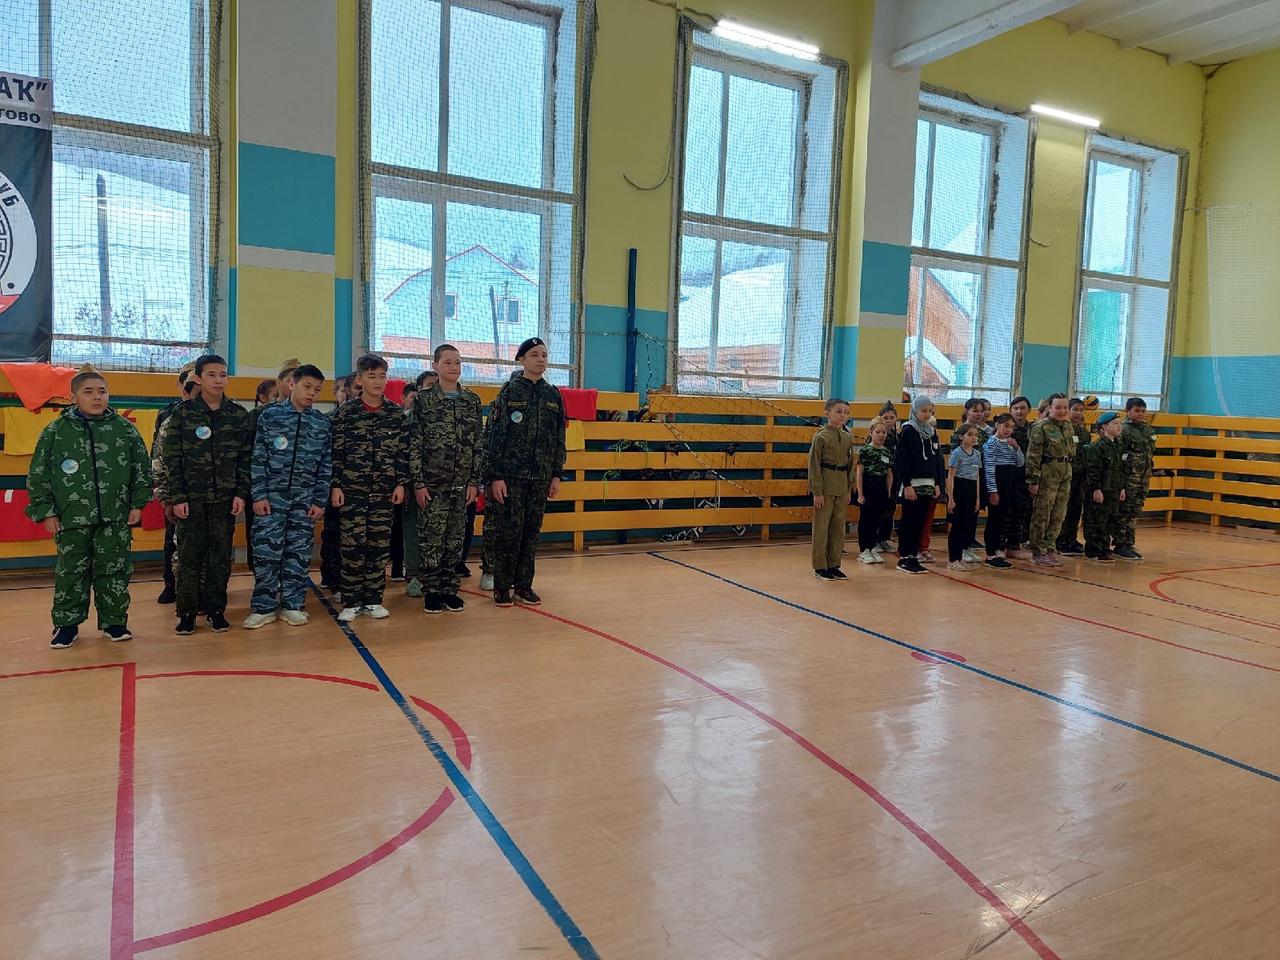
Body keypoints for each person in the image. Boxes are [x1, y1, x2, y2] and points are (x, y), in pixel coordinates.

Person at [26, 370, 152, 648]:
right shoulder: (56, 431)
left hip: (115, 516)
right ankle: (67, 625)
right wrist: (46, 511)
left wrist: (137, 503)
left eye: (102, 391)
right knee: (71, 572)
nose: (97, 397)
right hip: (71, 517)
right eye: (88, 392)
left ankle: (114, 622)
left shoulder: (124, 429)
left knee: (115, 570)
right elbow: (38, 473)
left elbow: (141, 468)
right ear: (73, 397)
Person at [161, 354, 252, 635]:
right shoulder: (183, 414)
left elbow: (245, 459)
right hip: (191, 500)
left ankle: (215, 611)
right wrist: (178, 497)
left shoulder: (238, 415)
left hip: (225, 500)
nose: (218, 380)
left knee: (220, 558)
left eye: (223, 375)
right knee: (189, 557)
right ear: (199, 379)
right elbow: (172, 458)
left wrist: (241, 493)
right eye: (212, 375)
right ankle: (187, 613)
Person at [245, 364, 332, 628]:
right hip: (272, 498)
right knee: (266, 553)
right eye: (307, 387)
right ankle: (263, 607)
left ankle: (293, 604)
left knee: (299, 553)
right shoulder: (270, 416)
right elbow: (258, 458)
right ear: (292, 384)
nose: (312, 393)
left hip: (304, 500)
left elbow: (325, 465)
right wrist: (259, 495)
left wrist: (320, 500)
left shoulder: (321, 423)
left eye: (317, 390)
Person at [481, 338, 567, 607]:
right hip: (511, 477)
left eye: (544, 355)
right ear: (521, 359)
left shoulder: (553, 395)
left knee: (531, 533)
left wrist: (556, 474)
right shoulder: (509, 392)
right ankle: (502, 587)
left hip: (540, 476)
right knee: (509, 532)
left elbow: (559, 438)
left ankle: (523, 586)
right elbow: (495, 436)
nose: (540, 360)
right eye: (534, 355)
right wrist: (495, 476)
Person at [330, 354, 407, 621]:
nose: (378, 381)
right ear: (360, 380)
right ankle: (351, 601)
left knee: (379, 547)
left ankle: (373, 599)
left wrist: (400, 483)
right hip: (352, 491)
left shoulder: (396, 414)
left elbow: (402, 453)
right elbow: (336, 452)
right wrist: (336, 485)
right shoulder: (347, 413)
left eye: (382, 376)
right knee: (352, 546)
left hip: (384, 492)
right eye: (371, 376)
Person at [409, 345, 484, 613]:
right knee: (431, 540)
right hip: (432, 486)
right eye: (448, 362)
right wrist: (418, 483)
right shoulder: (424, 400)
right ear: (436, 366)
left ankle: (449, 589)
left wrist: (475, 482)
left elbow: (478, 444)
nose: (454, 367)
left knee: (455, 540)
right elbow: (414, 443)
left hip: (461, 486)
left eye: (458, 362)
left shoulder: (471, 400)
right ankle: (431, 591)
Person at [153, 360, 195, 604]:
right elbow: (158, 455)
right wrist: (166, 496)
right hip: (174, 490)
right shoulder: (167, 415)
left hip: (203, 492)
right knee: (172, 539)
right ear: (180, 385)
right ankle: (170, 584)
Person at [894, 396, 945, 575]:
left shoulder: (932, 432)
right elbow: (902, 460)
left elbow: (936, 460)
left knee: (921, 522)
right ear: (915, 411)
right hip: (912, 484)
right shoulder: (908, 430)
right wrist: (907, 484)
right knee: (909, 521)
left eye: (930, 411)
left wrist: (937, 483)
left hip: (928, 484)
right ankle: (904, 557)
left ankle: (913, 557)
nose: (927, 414)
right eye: (923, 411)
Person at [1025, 393, 1074, 567]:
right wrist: (1033, 480)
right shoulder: (1041, 427)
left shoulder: (1068, 427)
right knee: (1042, 513)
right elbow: (1033, 456)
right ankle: (1038, 551)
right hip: (1047, 474)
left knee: (1059, 513)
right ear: (1050, 408)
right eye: (1058, 407)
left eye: (1065, 407)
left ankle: (1050, 547)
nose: (1062, 411)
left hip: (1065, 473)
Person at [807, 398, 854, 581]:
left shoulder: (847, 436)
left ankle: (834, 564)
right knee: (822, 527)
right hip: (826, 485)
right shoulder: (821, 436)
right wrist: (817, 491)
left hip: (841, 485)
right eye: (839, 411)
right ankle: (820, 566)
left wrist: (848, 489)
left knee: (838, 527)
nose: (843, 415)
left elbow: (850, 464)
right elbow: (814, 465)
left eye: (846, 412)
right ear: (827, 413)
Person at [1115, 397, 1157, 561]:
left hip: (1143, 478)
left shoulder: (1148, 431)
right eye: (1137, 411)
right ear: (1128, 411)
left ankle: (1129, 542)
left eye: (1143, 411)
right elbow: (1120, 455)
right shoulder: (1124, 430)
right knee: (1124, 510)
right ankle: (1120, 544)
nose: (1140, 414)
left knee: (1135, 510)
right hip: (1129, 478)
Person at [982, 414, 1023, 569]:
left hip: (1009, 483)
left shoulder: (1010, 443)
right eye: (1006, 426)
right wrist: (993, 491)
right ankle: (990, 554)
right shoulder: (991, 443)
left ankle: (998, 550)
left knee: (1002, 519)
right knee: (994, 519)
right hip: (998, 483)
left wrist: (1017, 448)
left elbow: (1020, 463)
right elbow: (989, 469)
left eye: (1012, 427)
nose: (1008, 430)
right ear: (997, 425)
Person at [1084, 412, 1126, 562]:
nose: (1119, 426)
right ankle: (1094, 550)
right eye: (1115, 423)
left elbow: (1121, 469)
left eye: (1120, 423)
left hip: (1114, 489)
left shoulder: (1119, 445)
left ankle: (1104, 547)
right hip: (1102, 489)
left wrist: (1122, 487)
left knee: (1110, 520)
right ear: (1105, 426)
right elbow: (1093, 470)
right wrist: (1096, 489)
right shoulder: (1098, 447)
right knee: (1097, 520)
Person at [1055, 397, 1091, 555]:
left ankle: (1072, 538)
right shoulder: (1063, 429)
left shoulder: (1084, 433)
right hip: (1066, 474)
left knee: (1076, 508)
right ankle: (1060, 540)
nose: (1078, 413)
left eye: (1081, 410)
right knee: (1064, 508)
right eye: (1075, 409)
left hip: (1080, 476)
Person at [855, 418, 893, 565]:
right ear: (871, 433)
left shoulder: (887, 452)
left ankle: (872, 548)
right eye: (878, 432)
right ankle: (864, 549)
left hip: (881, 486)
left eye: (884, 432)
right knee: (866, 520)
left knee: (877, 519)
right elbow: (859, 473)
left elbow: (889, 473)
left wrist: (887, 492)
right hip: (868, 485)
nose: (881, 435)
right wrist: (860, 493)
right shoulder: (866, 450)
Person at [946, 423, 983, 570]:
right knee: (957, 526)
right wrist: (951, 498)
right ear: (961, 436)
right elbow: (951, 476)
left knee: (965, 527)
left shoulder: (977, 454)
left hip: (971, 490)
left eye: (976, 435)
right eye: (970, 435)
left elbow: (977, 476)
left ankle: (959, 558)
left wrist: (978, 497)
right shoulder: (957, 453)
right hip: (959, 489)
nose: (974, 438)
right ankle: (952, 560)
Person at [1008, 396, 1033, 553]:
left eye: (1022, 408)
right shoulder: (1007, 428)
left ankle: (1021, 540)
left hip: (1028, 474)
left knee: (1026, 509)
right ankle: (1009, 544)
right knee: (1011, 510)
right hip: (1011, 475)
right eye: (1015, 408)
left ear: (1029, 410)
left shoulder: (1034, 428)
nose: (1019, 411)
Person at [876, 401, 900, 552]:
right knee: (877, 509)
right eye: (885, 418)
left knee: (890, 509)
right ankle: (874, 540)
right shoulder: (876, 436)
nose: (889, 421)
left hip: (894, 479)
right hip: (878, 478)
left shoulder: (898, 437)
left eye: (892, 417)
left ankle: (884, 539)